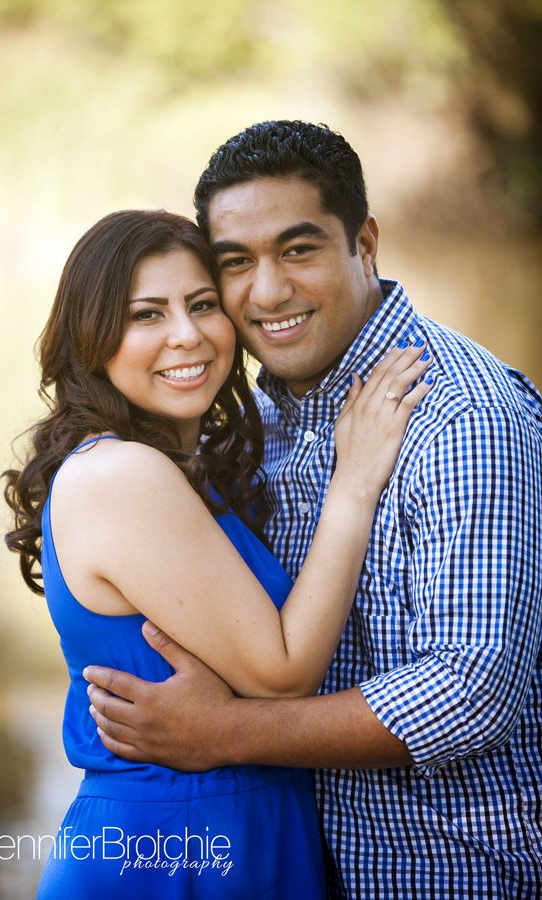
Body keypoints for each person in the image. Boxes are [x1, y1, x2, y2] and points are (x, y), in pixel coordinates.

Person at [84, 121, 542, 900]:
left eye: (298, 250)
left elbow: (469, 693)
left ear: (364, 242)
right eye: (235, 263)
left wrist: (225, 734)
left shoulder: (461, 417)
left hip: (453, 872)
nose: (267, 292)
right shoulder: (256, 425)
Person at [3, 208, 433, 899]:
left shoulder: (181, 466)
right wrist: (353, 484)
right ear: (93, 338)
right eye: (147, 315)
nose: (187, 335)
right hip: (171, 847)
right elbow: (283, 671)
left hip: (236, 829)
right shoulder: (120, 475)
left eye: (203, 304)